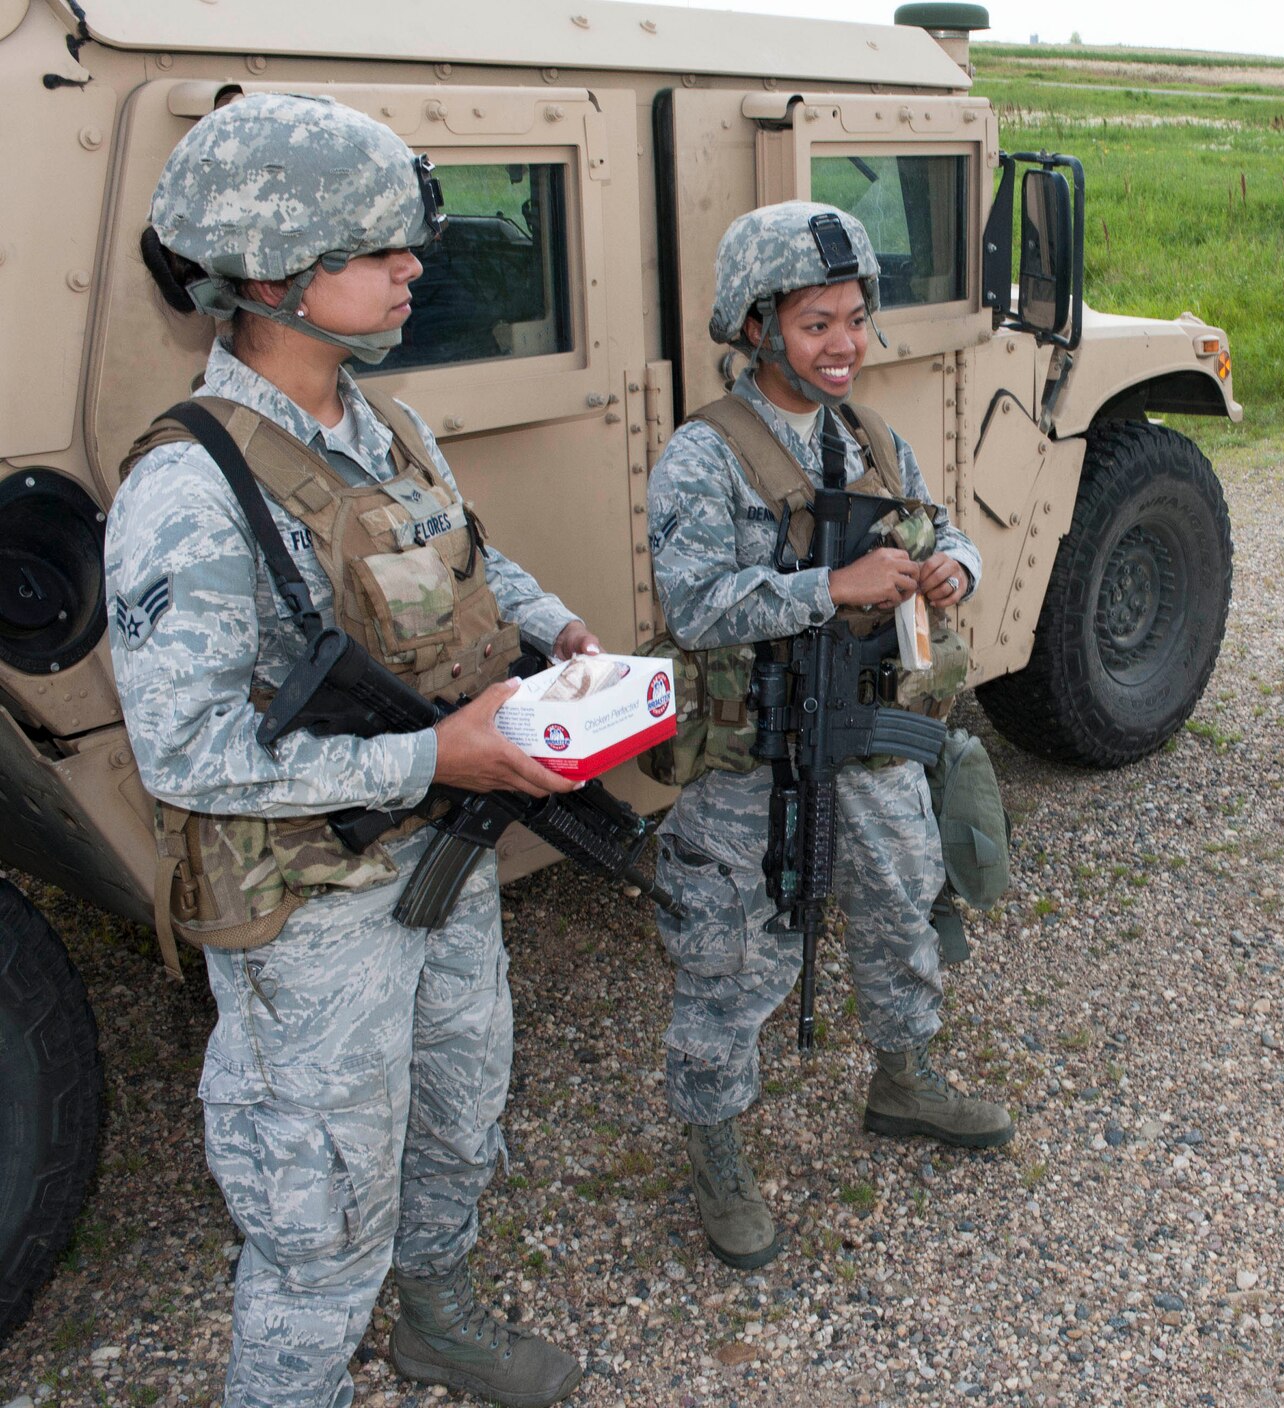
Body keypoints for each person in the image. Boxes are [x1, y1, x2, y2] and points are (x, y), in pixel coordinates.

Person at [106, 93, 593, 1408]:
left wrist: (560, 635)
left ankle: (437, 1318)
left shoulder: (388, 427)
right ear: (275, 273)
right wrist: (433, 758)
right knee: (316, 1221)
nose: (412, 269)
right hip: (315, 922)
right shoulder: (189, 487)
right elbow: (189, 751)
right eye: (377, 250)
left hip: (447, 866)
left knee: (454, 1120)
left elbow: (469, 562)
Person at [645, 202, 1014, 1270]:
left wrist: (956, 568)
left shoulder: (870, 437)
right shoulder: (702, 456)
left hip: (867, 731)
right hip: (756, 751)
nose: (844, 343)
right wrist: (829, 586)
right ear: (755, 327)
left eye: (854, 318)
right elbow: (695, 605)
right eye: (815, 324)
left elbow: (940, 527)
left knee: (903, 899)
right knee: (735, 948)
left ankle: (904, 1078)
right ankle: (714, 1142)